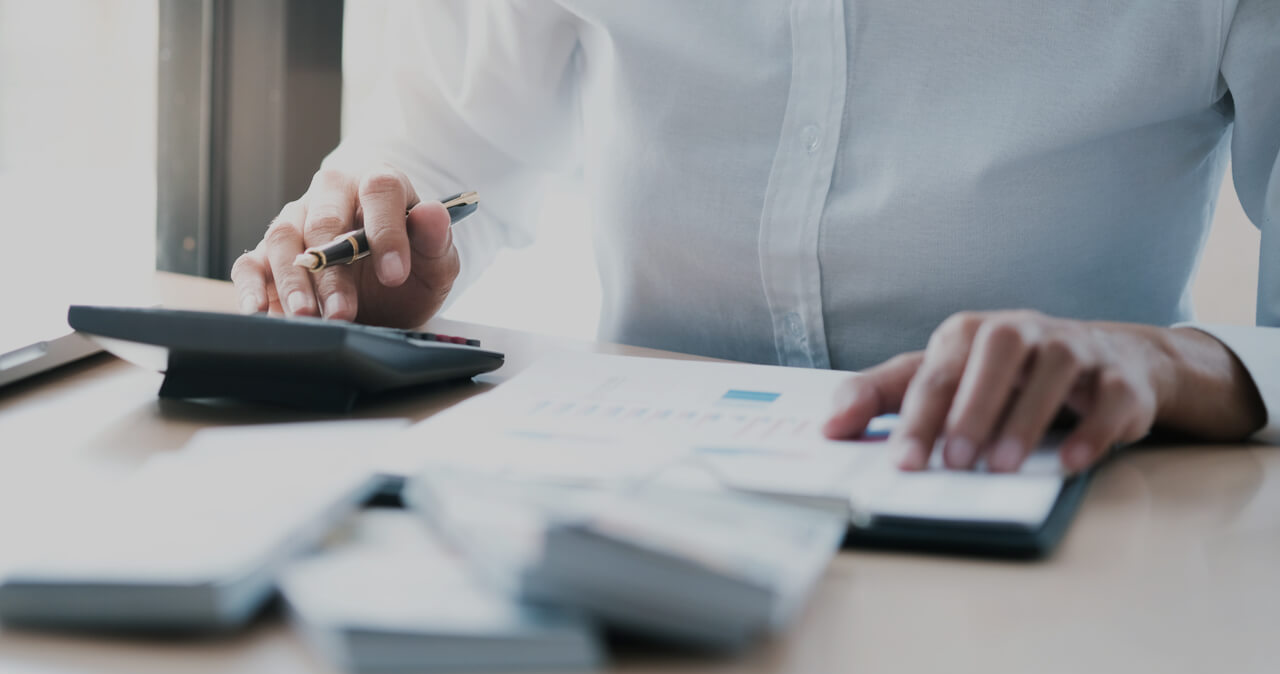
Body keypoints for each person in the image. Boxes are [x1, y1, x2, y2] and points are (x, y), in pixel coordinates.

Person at [231, 2, 1278, 473]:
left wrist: (1160, 360)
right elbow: (446, 147)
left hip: (1065, 519)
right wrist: (372, 243)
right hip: (632, 496)